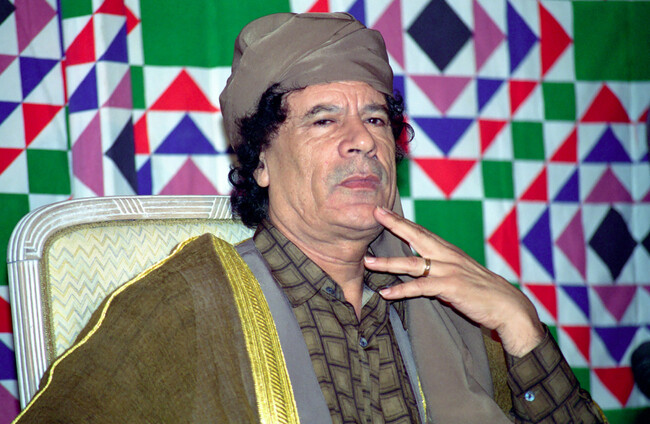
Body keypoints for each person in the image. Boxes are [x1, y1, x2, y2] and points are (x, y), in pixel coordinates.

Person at [14, 12, 606, 424]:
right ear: (260, 162)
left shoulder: (454, 308)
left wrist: (520, 324)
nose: (362, 141)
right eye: (323, 120)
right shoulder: (182, 305)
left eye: (376, 120)